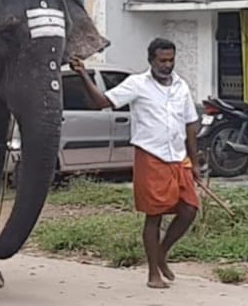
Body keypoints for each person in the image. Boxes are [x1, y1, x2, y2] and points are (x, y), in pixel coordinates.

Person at [70, 38, 201, 289]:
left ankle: (162, 253)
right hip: (151, 157)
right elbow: (102, 103)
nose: (167, 65)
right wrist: (84, 75)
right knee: (154, 216)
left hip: (177, 157)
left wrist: (194, 162)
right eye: (162, 60)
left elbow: (190, 124)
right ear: (151, 60)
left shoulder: (181, 86)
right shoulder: (137, 84)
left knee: (189, 209)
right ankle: (153, 272)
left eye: (171, 60)